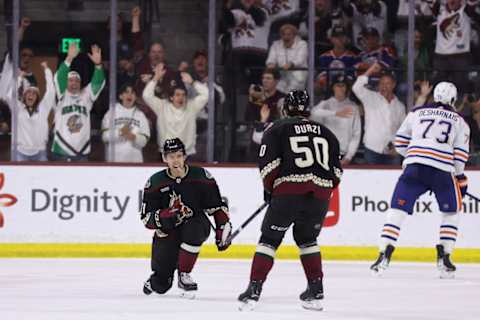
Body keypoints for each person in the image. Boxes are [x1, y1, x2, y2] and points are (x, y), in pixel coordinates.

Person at [238, 90, 343, 311]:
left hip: (288, 193)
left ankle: (254, 289)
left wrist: (271, 190)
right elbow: (337, 173)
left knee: (269, 239)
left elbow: (269, 168)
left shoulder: (277, 128)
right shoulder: (327, 133)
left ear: (285, 108)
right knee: (307, 239)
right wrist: (322, 190)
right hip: (320, 197)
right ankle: (316, 289)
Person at [370, 82, 470, 279]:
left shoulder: (416, 112)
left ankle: (383, 254)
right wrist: (459, 178)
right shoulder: (460, 121)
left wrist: (415, 156)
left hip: (414, 167)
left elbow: (399, 142)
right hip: (442, 171)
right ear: (453, 99)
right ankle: (445, 258)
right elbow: (459, 157)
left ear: (434, 96)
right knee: (451, 212)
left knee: (396, 211)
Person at [141, 138, 232, 298]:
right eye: (171, 156)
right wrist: (165, 216)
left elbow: (216, 206)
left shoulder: (201, 176)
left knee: (198, 228)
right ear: (164, 158)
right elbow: (146, 218)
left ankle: (184, 274)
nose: (175, 160)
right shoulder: (155, 182)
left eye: (178, 155)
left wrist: (222, 227)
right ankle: (157, 280)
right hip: (167, 233)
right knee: (161, 285)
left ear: (184, 156)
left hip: (193, 225)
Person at [51, 42, 105, 161]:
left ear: (80, 84)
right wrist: (69, 58)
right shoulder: (62, 94)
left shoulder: (86, 96)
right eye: (70, 80)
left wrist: (98, 65)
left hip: (82, 151)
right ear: (66, 83)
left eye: (76, 81)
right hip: (62, 150)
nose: (74, 83)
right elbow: (60, 76)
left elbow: (98, 82)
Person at [142, 63, 208, 160]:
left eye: (183, 95)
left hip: (187, 155)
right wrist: (155, 78)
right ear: (171, 97)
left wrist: (193, 82)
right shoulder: (162, 106)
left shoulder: (192, 107)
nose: (181, 98)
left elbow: (206, 94)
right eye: (177, 95)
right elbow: (146, 96)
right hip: (166, 155)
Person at [0, 55, 55, 161]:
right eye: (28, 93)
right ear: (24, 96)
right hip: (19, 152)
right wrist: (20, 78)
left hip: (40, 152)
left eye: (34, 93)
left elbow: (51, 92)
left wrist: (47, 70)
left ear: (37, 97)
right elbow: (9, 95)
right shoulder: (18, 108)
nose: (31, 95)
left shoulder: (43, 108)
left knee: (43, 178)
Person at [352, 62, 406, 164]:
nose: (383, 86)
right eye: (381, 83)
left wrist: (399, 148)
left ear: (393, 85)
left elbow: (403, 130)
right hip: (372, 150)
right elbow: (356, 87)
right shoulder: (371, 97)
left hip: (392, 152)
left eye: (387, 83)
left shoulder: (400, 106)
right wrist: (371, 70)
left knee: (393, 180)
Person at [310, 76, 361, 165]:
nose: (340, 88)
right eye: (338, 85)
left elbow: (356, 134)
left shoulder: (353, 107)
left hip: (345, 155)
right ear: (333, 87)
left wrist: (348, 157)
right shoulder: (326, 103)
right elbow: (313, 113)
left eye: (343, 85)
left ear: (346, 88)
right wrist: (335, 113)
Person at [101, 84, 150, 162]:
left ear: (135, 97)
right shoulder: (111, 113)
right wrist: (120, 132)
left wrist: (134, 137)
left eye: (132, 93)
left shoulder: (140, 115)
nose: (130, 95)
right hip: (114, 162)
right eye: (126, 92)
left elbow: (144, 140)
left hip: (135, 162)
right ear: (120, 96)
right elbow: (104, 137)